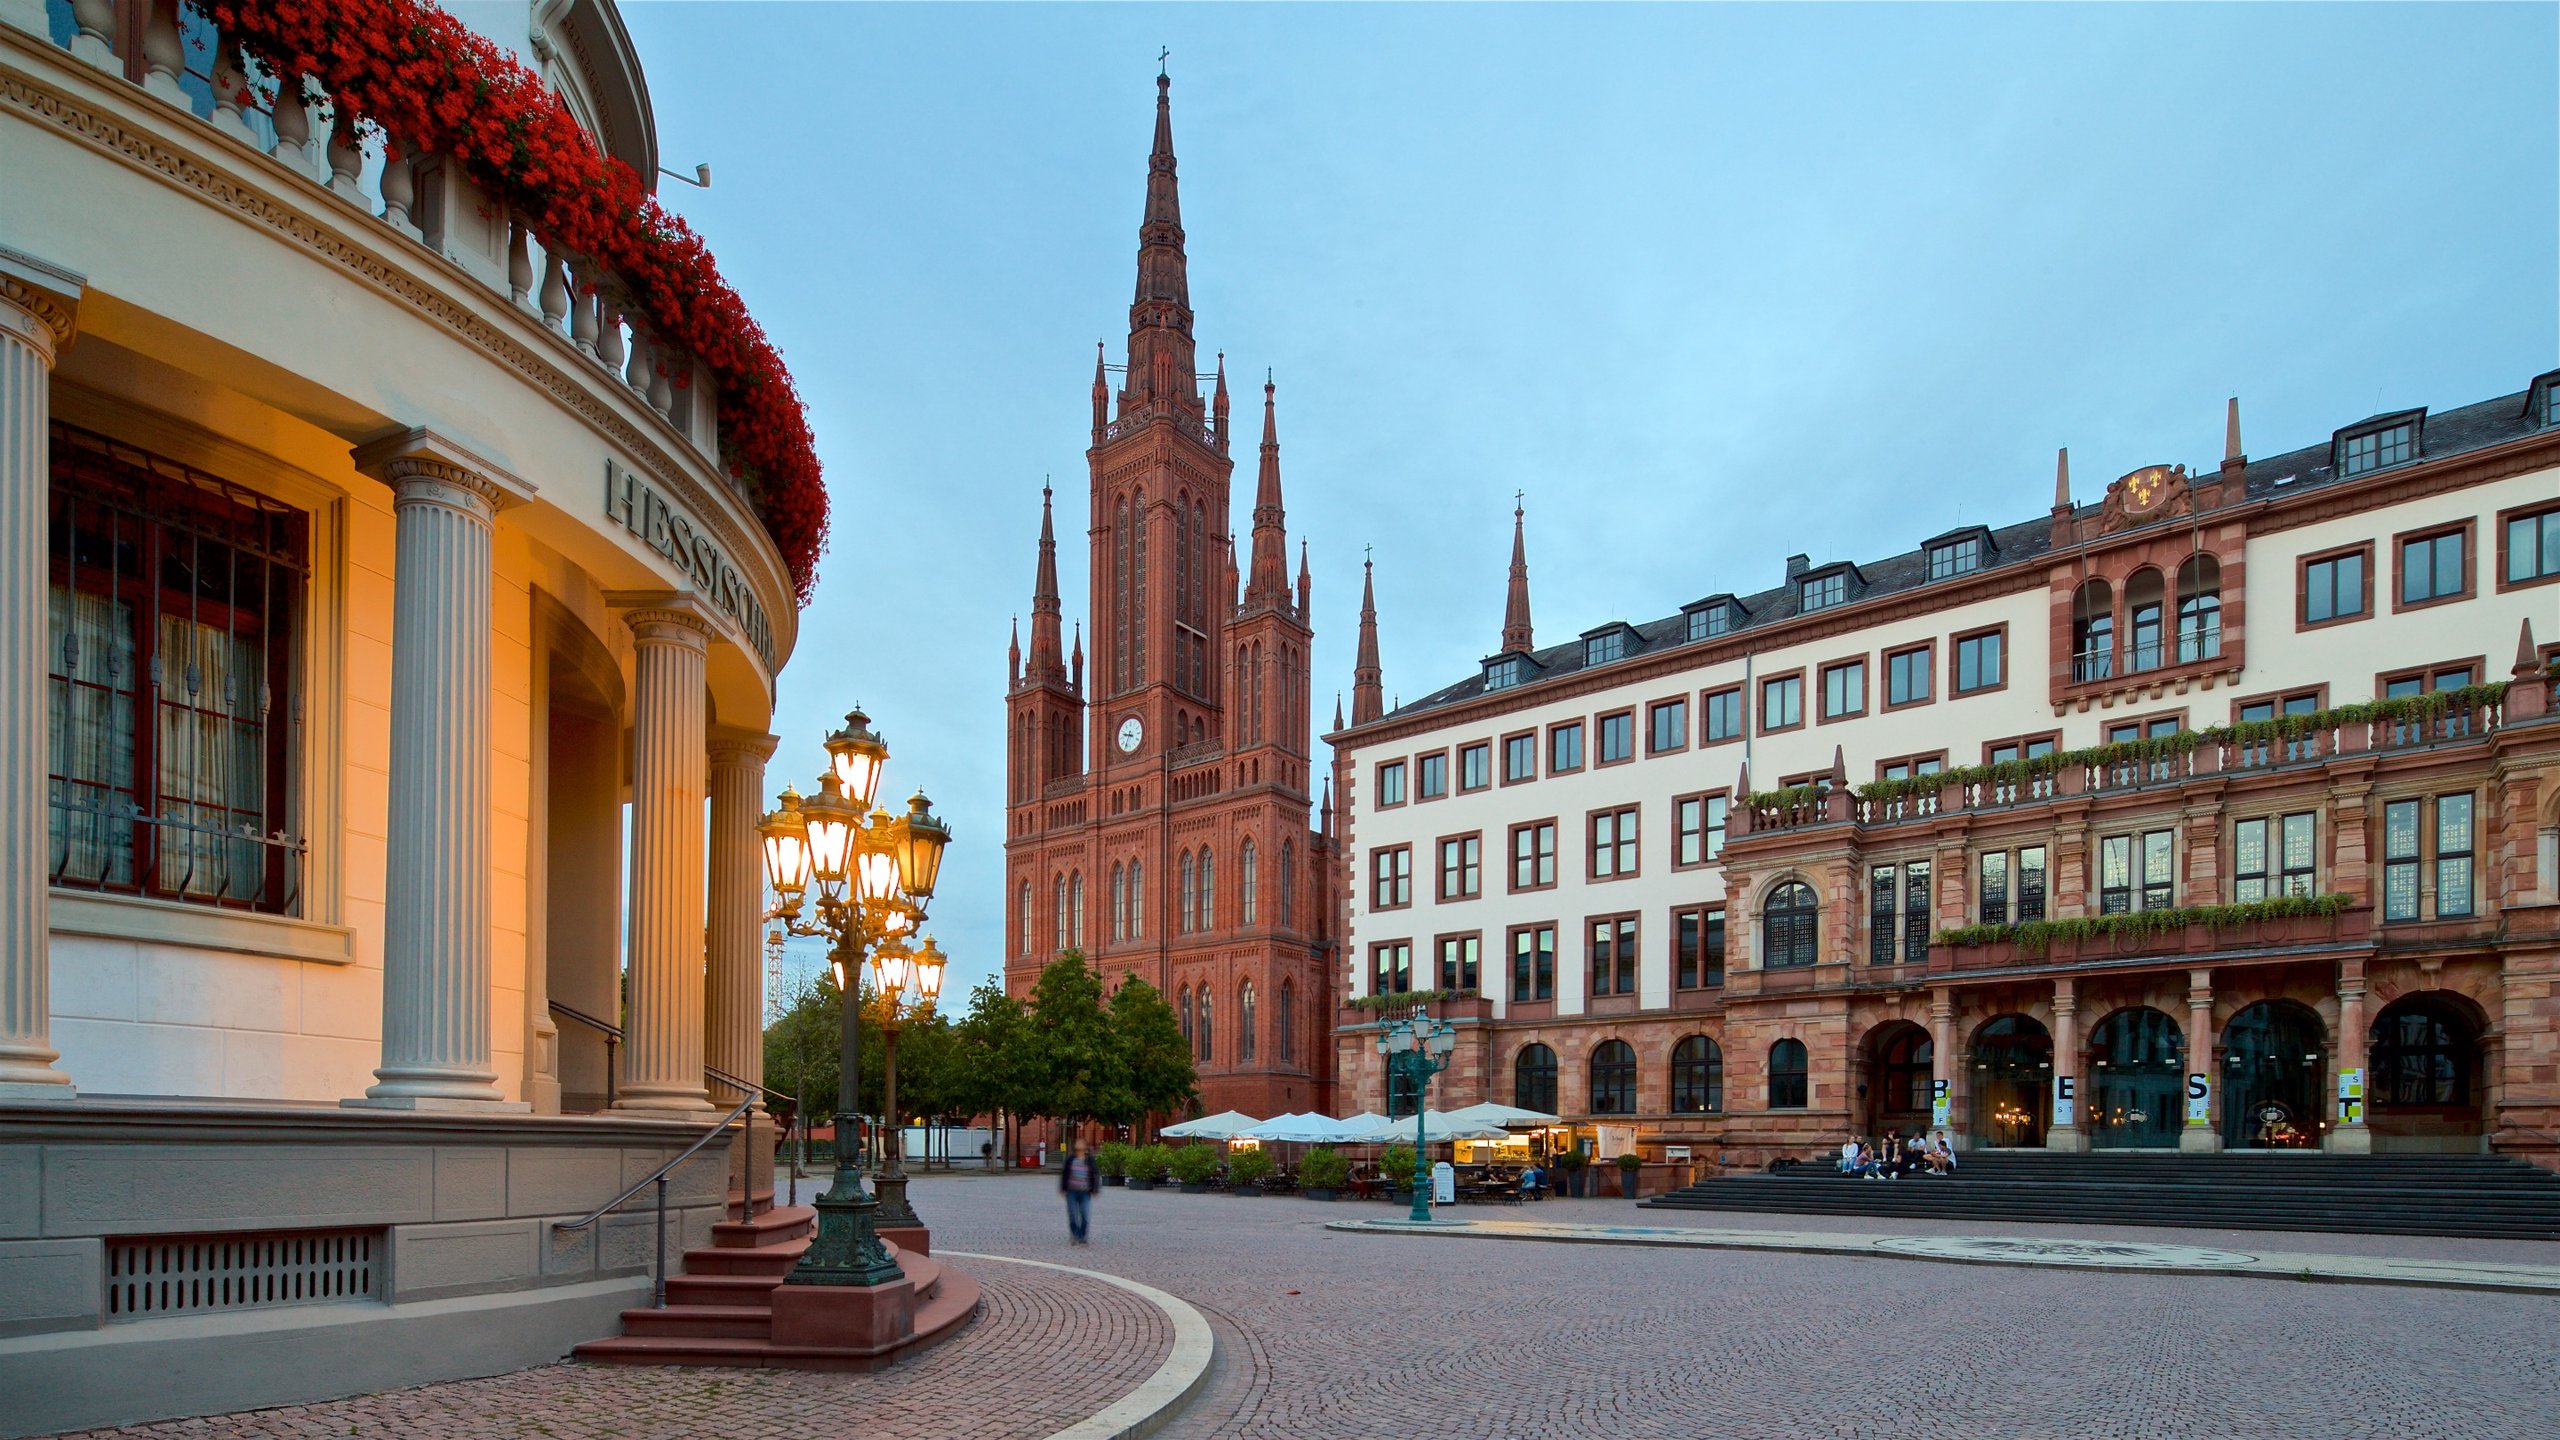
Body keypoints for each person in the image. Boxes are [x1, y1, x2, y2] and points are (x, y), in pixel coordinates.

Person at [1060, 1138, 1098, 1245]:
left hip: (1085, 1192)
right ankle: (1075, 1235)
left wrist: (1095, 1189)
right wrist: (1063, 1188)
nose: (1079, 1144)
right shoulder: (1070, 1159)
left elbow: (1094, 1174)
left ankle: (1082, 1235)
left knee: (1085, 1214)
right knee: (1072, 1215)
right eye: (1078, 1142)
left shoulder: (1089, 1160)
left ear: (1085, 1147)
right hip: (1072, 1191)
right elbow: (1064, 1174)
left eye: (1081, 1143)